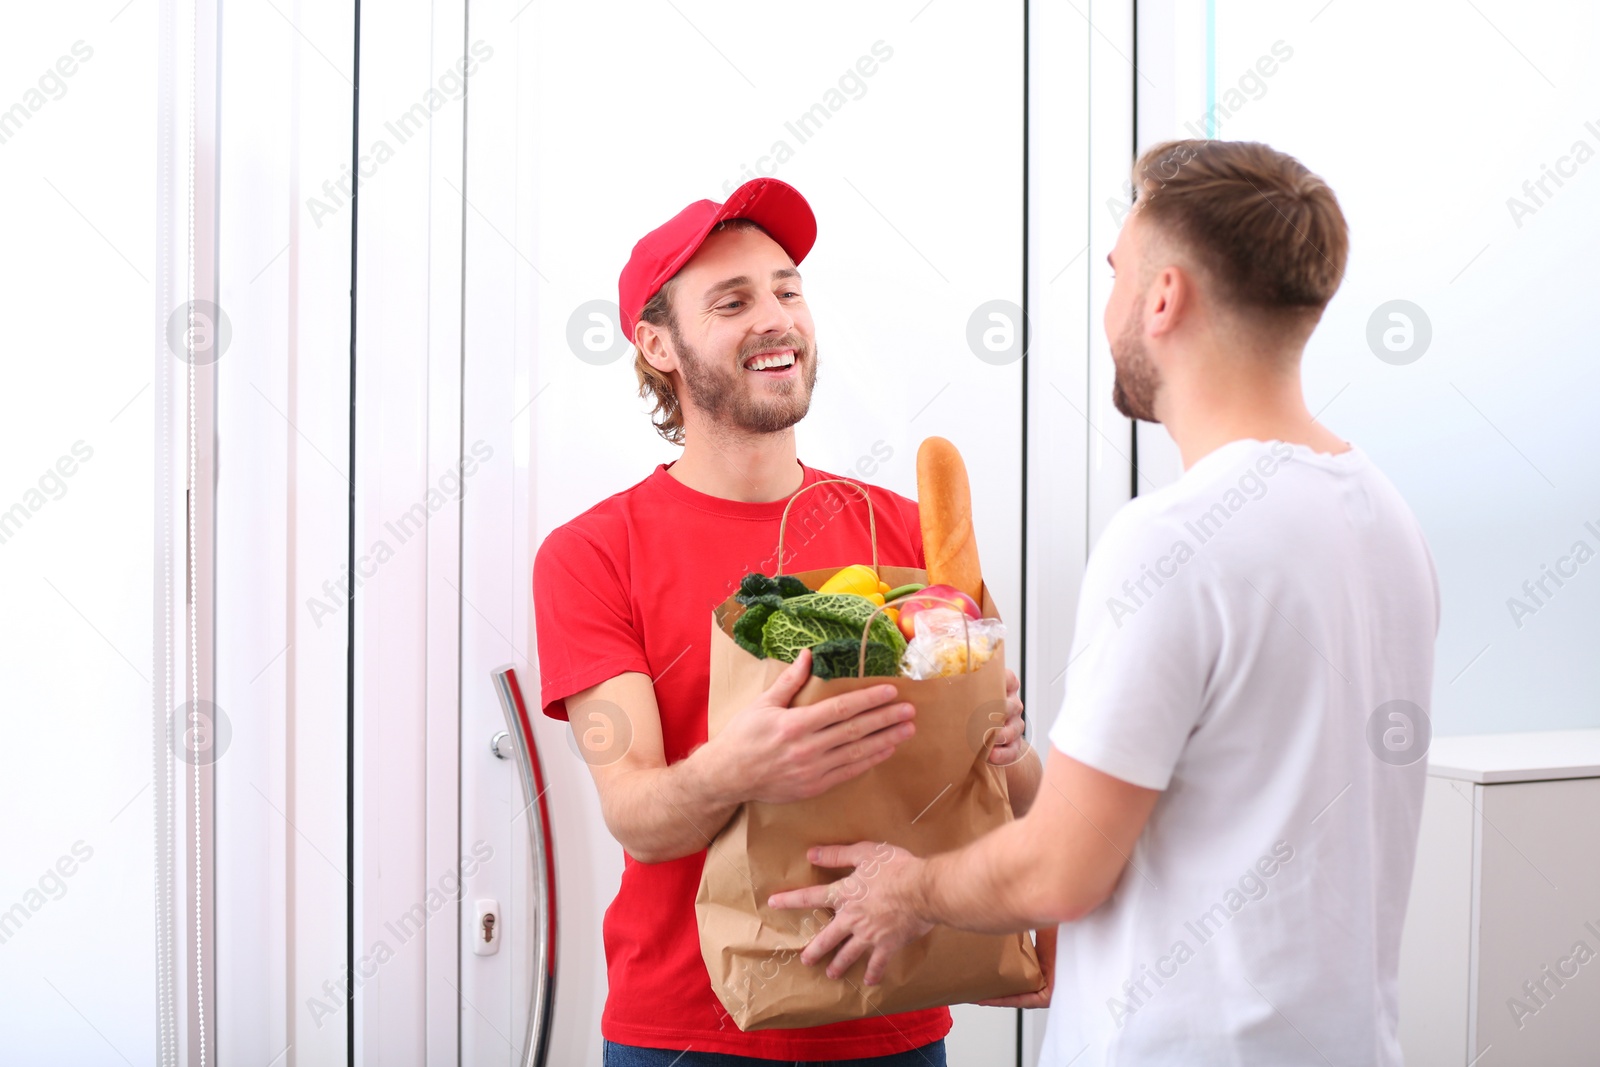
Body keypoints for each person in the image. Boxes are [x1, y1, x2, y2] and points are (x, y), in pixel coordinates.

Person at [769, 140, 1441, 1066]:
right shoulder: (1385, 515)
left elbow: (1060, 867)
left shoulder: (1172, 540)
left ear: (1163, 298)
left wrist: (908, 887)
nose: (1109, 302)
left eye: (1117, 271)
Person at [532, 177, 1044, 1065]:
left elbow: (1014, 789)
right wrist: (740, 767)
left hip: (895, 1013)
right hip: (688, 1035)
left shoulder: (909, 528)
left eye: (787, 289)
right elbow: (640, 815)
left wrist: (1008, 744)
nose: (777, 318)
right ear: (657, 344)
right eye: (733, 300)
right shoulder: (593, 552)